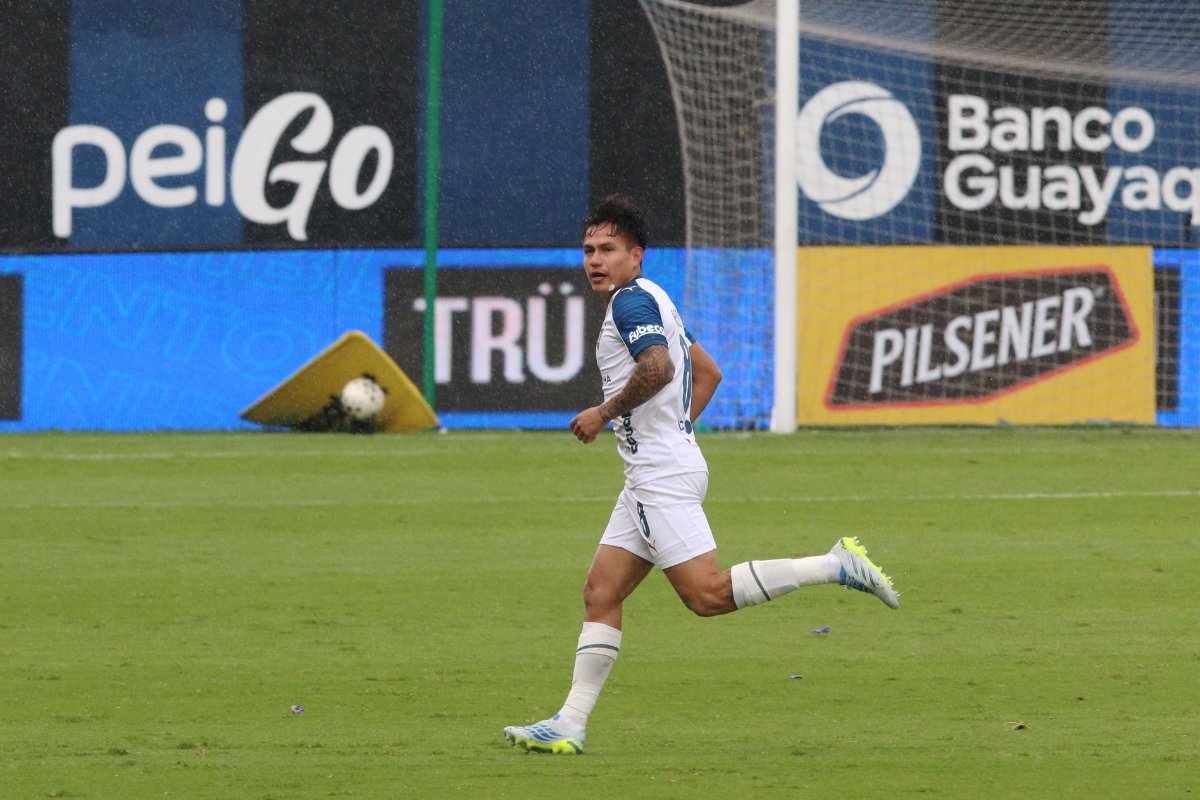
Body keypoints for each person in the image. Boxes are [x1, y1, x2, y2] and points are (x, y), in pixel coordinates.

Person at [503, 195, 899, 755]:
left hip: (659, 475)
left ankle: (835, 564)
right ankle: (570, 722)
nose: (594, 260)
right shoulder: (655, 297)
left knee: (706, 595)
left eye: (608, 249)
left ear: (636, 255)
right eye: (588, 250)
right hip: (659, 468)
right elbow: (708, 372)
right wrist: (674, 432)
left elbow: (659, 367)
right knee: (601, 591)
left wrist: (605, 414)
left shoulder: (629, 305)